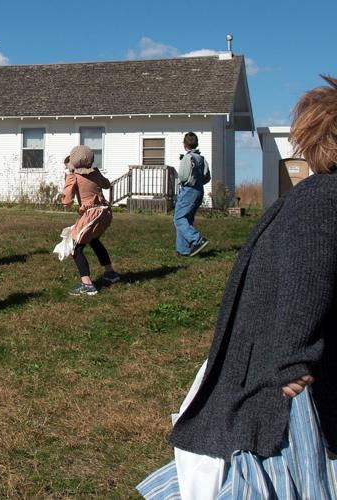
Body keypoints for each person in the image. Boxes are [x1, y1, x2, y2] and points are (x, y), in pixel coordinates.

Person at [137, 75, 337, 499]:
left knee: (181, 219)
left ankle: (189, 243)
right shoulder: (322, 202)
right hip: (292, 387)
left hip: (289, 370)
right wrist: (290, 361)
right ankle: (189, 243)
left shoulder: (313, 200)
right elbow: (305, 278)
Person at [57, 146, 119, 296]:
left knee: (75, 247)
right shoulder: (95, 173)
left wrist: (65, 193)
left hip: (92, 214)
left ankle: (87, 285)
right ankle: (110, 273)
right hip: (105, 212)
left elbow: (67, 201)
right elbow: (106, 184)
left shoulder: (73, 176)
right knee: (94, 240)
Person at [173, 132, 211, 257]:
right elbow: (207, 177)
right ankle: (183, 250)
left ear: (185, 145)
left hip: (188, 191)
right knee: (186, 219)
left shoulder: (187, 158)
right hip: (199, 191)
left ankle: (197, 240)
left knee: (179, 219)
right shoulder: (201, 158)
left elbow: (183, 177)